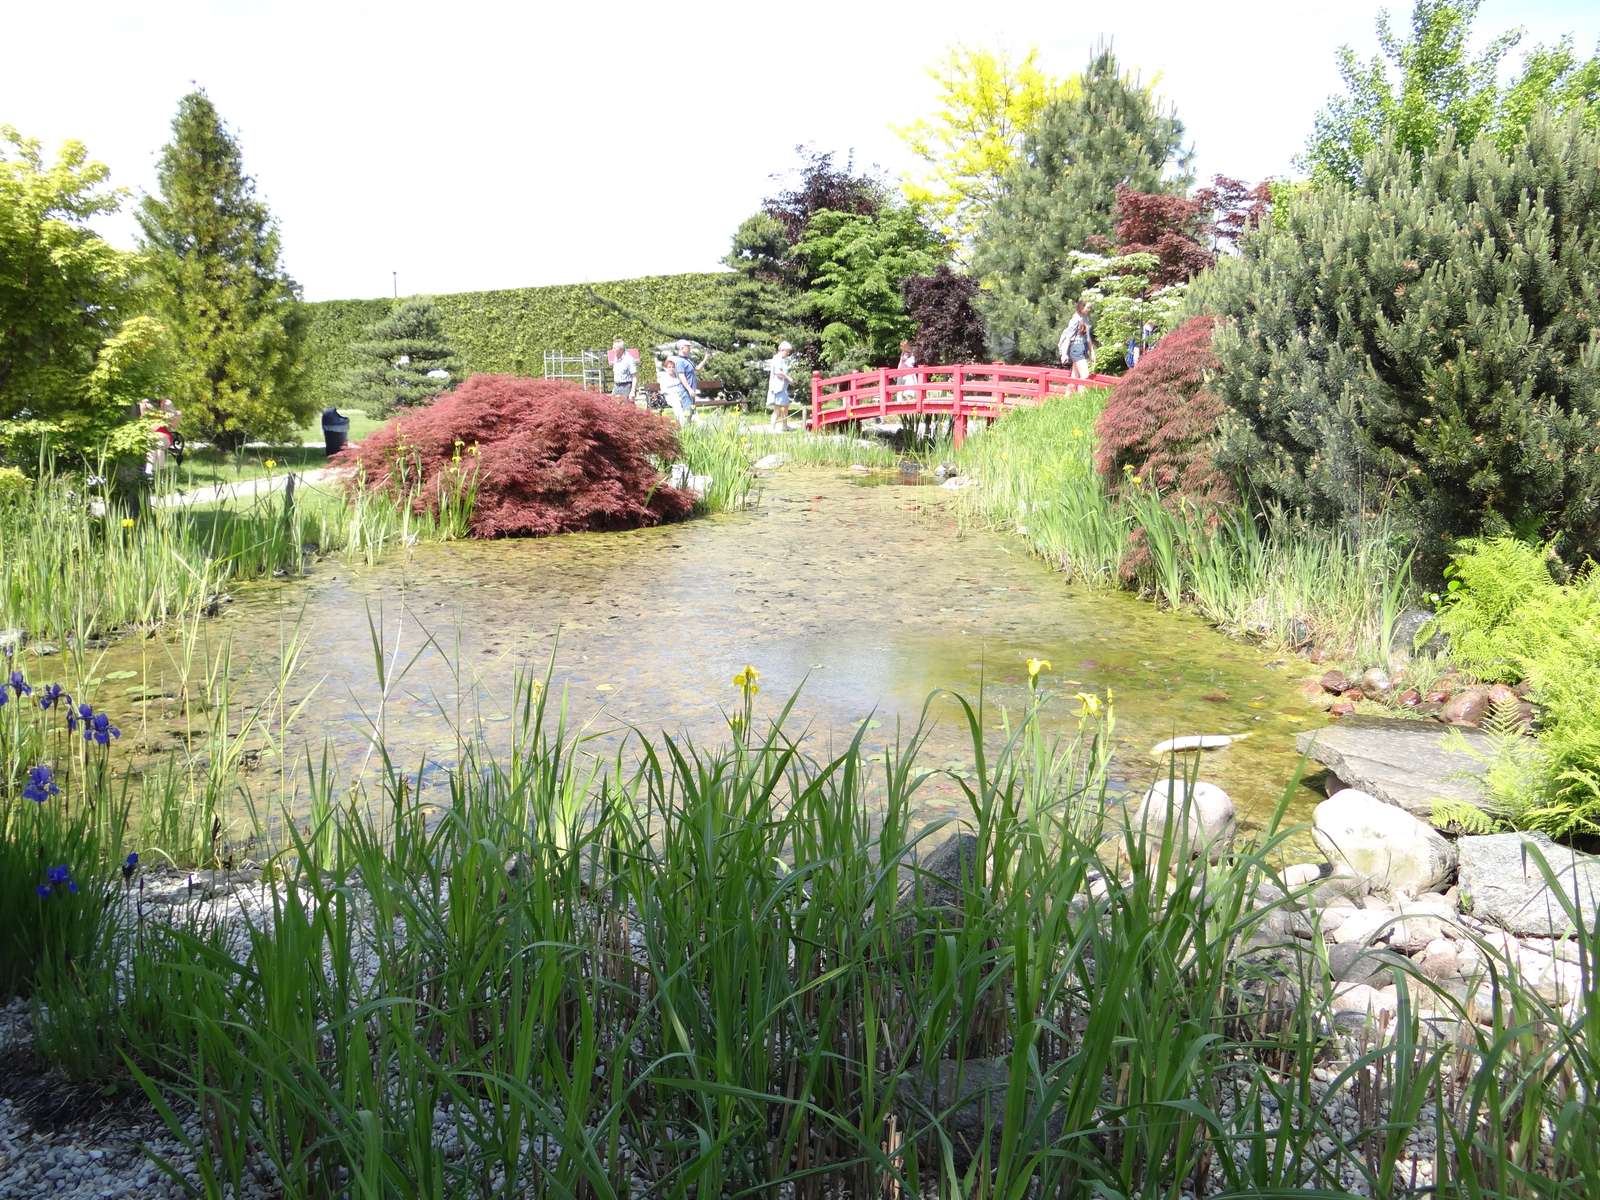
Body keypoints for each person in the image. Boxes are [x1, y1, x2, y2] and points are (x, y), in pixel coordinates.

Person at [1058, 299, 1095, 380]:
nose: (1089, 310)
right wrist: (1064, 354)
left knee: (1075, 376)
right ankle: (1081, 393)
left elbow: (1088, 337)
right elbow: (1068, 337)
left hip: (1083, 348)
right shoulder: (1075, 319)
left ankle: (1068, 393)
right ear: (1081, 307)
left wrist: (1092, 352)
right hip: (1076, 348)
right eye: (1087, 308)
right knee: (1085, 375)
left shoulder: (1086, 318)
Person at [766, 341, 794, 432]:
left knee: (785, 407)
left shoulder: (781, 359)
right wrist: (788, 378)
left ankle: (784, 426)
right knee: (777, 409)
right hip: (778, 388)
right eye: (787, 351)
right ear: (782, 350)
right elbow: (778, 372)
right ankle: (772, 428)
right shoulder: (777, 359)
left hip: (782, 388)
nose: (788, 353)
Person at [658, 357, 693, 426]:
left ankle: (693, 420)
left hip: (680, 395)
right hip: (670, 396)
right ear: (666, 368)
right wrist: (674, 393)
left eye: (673, 367)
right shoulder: (664, 377)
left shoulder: (678, 377)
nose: (671, 368)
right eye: (669, 367)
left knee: (688, 403)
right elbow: (663, 390)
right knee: (677, 405)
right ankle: (684, 425)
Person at [896, 339, 917, 404]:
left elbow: (911, 363)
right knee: (899, 388)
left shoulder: (911, 353)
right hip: (901, 372)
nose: (902, 348)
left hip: (908, 373)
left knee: (909, 391)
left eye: (904, 346)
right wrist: (898, 369)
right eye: (902, 346)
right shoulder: (903, 353)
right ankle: (898, 403)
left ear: (907, 345)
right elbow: (901, 362)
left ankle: (909, 404)